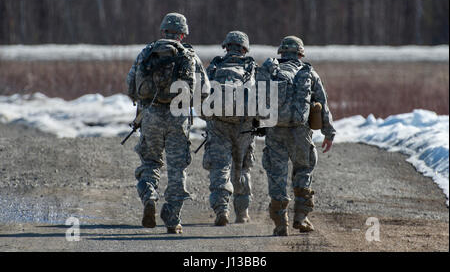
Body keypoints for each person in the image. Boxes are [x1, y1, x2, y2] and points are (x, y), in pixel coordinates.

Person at [126, 12, 209, 234]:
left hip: (150, 115)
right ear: (183, 34)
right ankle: (172, 219)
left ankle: (149, 195)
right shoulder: (190, 56)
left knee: (150, 162)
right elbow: (205, 90)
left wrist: (143, 102)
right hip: (178, 118)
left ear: (163, 30)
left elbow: (131, 86)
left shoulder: (146, 52)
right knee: (177, 168)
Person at [256, 36, 336, 236]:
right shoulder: (309, 73)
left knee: (276, 175)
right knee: (303, 170)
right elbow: (322, 105)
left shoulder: (272, 71)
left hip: (275, 130)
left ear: (281, 52)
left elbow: (255, 98)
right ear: (301, 53)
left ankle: (280, 223)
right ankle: (301, 217)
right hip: (301, 132)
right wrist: (328, 132)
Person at [202, 31, 258, 226]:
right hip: (244, 126)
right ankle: (242, 213)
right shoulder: (252, 68)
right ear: (244, 48)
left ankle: (221, 209)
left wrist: (208, 118)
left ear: (226, 46)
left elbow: (202, 93)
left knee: (220, 167)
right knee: (242, 167)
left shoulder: (215, 66)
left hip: (218, 125)